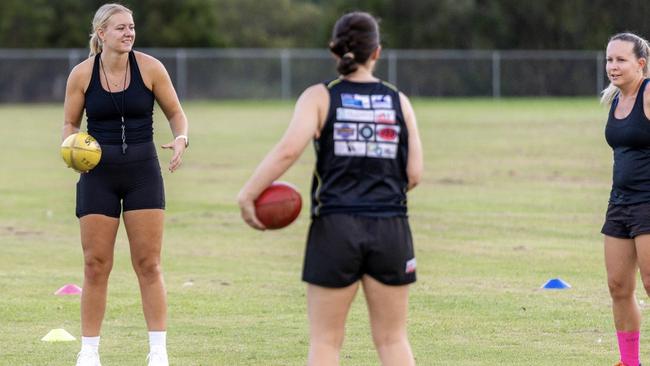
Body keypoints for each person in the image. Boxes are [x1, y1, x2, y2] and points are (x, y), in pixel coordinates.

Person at [238, 11, 423, 366]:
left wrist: (248, 193)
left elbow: (289, 150)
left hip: (336, 228)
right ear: (377, 53)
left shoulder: (320, 97)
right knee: (392, 340)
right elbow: (414, 174)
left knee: (326, 342)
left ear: (334, 51)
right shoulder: (399, 101)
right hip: (391, 229)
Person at [62, 3, 188, 366]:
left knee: (148, 264)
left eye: (131, 27)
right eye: (121, 28)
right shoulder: (81, 74)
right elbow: (70, 124)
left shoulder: (150, 68)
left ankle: (158, 353)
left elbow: (177, 114)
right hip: (96, 176)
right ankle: (88, 353)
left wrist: (181, 138)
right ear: (101, 34)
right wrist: (71, 149)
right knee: (95, 264)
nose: (129, 33)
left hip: (142, 173)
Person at [601, 32, 650, 366]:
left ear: (641, 64)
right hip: (619, 204)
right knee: (618, 286)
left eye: (620, 60)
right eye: (609, 60)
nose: (612, 67)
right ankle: (629, 362)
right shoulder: (616, 98)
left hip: (648, 202)